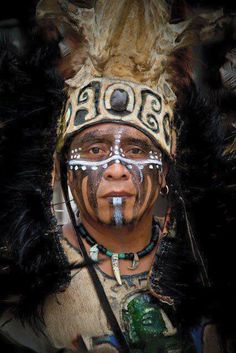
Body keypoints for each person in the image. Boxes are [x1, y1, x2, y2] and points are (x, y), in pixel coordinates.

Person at [0, 1, 235, 352]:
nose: (116, 167)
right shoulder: (28, 280)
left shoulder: (209, 262)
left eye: (138, 150)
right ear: (62, 168)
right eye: (94, 150)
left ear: (165, 170)